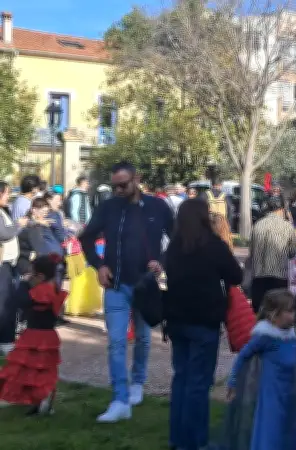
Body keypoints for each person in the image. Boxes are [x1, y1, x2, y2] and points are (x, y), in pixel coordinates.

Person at [79, 161, 174, 423]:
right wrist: (98, 265)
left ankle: (137, 384)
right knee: (117, 342)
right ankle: (120, 399)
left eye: (123, 184)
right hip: (116, 284)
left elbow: (176, 237)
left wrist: (162, 261)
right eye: (115, 186)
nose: (118, 190)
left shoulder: (157, 206)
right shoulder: (108, 207)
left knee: (143, 338)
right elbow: (86, 237)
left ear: (137, 179)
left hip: (145, 284)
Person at [163, 198, 243, 450]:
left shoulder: (174, 247)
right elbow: (236, 275)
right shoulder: (213, 245)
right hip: (204, 320)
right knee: (198, 384)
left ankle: (177, 438)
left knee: (181, 379)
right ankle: (195, 441)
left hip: (177, 319)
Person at [224, 289, 296, 450]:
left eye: (295, 310)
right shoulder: (265, 337)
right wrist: (233, 381)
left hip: (290, 391)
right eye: (289, 311)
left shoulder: (293, 336)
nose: (294, 315)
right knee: (271, 426)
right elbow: (243, 355)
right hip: (272, 393)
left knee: (289, 425)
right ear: (274, 315)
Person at [0, 254, 66, 415]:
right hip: (48, 336)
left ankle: (41, 398)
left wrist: (23, 283)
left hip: (35, 336)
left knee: (29, 368)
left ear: (40, 276)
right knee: (42, 369)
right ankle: (40, 399)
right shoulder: (54, 288)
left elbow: (18, 301)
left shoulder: (42, 291)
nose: (30, 277)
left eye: (32, 274)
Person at [248, 196, 296, 314]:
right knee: (277, 314)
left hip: (258, 277)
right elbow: (292, 253)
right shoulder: (287, 227)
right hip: (278, 277)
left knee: (259, 314)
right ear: (281, 209)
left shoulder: (257, 225)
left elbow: (252, 251)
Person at [0, 182, 26, 355]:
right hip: (2, 265)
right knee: (4, 303)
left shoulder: (4, 210)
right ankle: (5, 340)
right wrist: (19, 225)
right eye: (6, 193)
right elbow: (4, 233)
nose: (8, 197)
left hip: (8, 264)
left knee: (8, 301)